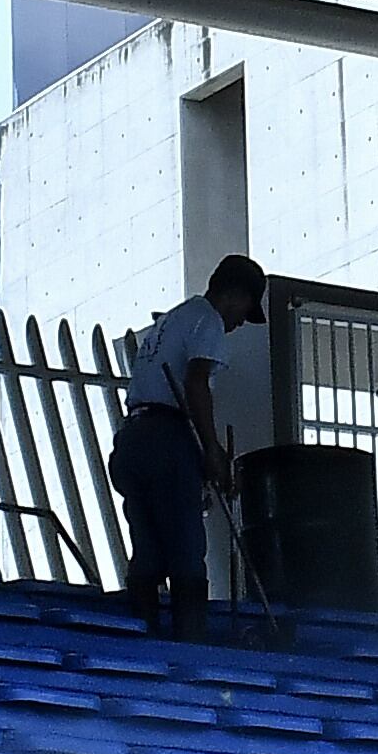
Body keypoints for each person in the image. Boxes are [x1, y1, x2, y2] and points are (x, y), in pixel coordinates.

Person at [115, 253, 264, 637]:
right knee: (185, 544)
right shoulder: (207, 319)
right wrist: (211, 450)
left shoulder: (170, 321)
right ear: (234, 294)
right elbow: (196, 382)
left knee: (147, 545)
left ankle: (142, 632)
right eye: (245, 311)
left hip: (133, 437)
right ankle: (189, 641)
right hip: (168, 436)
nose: (238, 325)